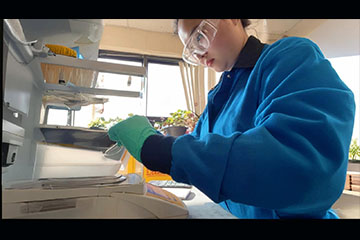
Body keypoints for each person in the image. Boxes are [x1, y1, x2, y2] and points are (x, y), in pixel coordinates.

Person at [108, 19, 355, 219]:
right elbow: (197, 153)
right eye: (191, 50)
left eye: (199, 36)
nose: (200, 54)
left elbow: (304, 167)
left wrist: (159, 149)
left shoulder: (291, 57)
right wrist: (160, 145)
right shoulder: (219, 99)